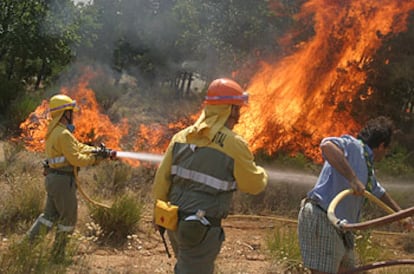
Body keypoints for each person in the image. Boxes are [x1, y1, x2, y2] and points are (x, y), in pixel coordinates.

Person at [152, 78, 268, 274]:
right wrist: (262, 174)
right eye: (237, 109)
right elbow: (254, 185)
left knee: (188, 265)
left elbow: (161, 180)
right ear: (228, 109)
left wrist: (157, 214)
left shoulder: (181, 136)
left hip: (173, 221)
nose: (238, 116)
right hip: (199, 226)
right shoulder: (234, 144)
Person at [297, 116, 413, 273]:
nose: (385, 154)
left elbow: (379, 192)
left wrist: (400, 216)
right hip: (323, 218)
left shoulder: (368, 168)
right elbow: (327, 145)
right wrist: (352, 179)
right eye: (386, 150)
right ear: (381, 146)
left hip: (342, 229)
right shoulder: (353, 146)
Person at [26, 94, 115, 262]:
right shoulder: (64, 134)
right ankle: (58, 256)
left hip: (54, 179)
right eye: (70, 112)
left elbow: (77, 147)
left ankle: (26, 246)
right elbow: (76, 159)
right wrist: (97, 158)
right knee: (68, 219)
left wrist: (94, 150)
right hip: (63, 182)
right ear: (64, 113)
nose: (73, 115)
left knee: (48, 216)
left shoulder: (54, 132)